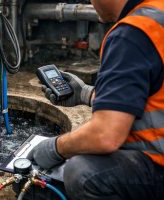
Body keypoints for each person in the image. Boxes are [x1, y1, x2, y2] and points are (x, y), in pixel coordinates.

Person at [27, 0, 164, 199]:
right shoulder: (157, 13)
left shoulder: (132, 34)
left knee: (84, 173)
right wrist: (86, 94)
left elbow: (105, 136)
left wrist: (55, 148)